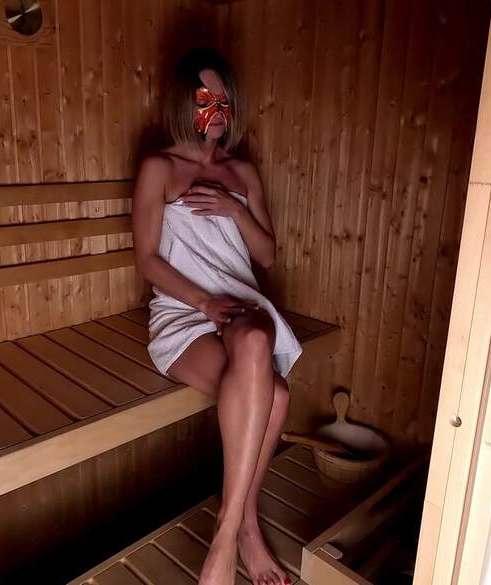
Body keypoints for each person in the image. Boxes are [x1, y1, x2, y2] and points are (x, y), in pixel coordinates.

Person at [131, 47, 303, 585]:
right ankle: (245, 529)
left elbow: (267, 255)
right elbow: (147, 260)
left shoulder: (241, 170)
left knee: (253, 339)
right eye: (206, 99)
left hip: (239, 306)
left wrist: (234, 208)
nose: (218, 111)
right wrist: (204, 303)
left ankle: (226, 539)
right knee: (276, 398)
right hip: (184, 313)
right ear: (184, 102)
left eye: (224, 100)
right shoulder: (160, 167)